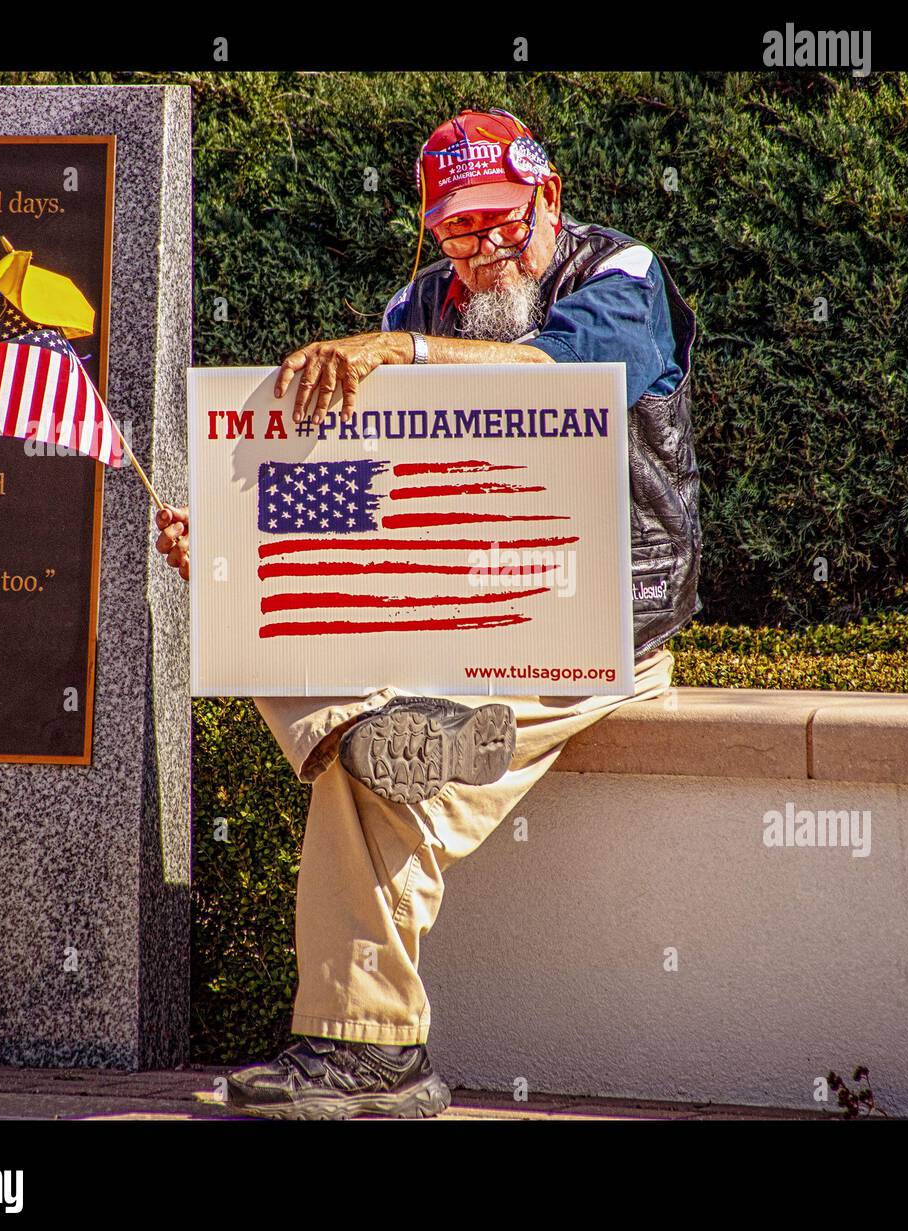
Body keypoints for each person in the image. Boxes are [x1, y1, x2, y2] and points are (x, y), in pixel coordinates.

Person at [155, 107, 702, 1120]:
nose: (486, 247)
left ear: (547, 196)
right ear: (428, 228)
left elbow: (559, 382)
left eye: (502, 219)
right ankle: (366, 737)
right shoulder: (418, 302)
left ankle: (370, 1052)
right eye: (458, 229)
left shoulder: (619, 273)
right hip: (445, 616)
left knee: (364, 785)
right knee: (264, 608)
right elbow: (364, 501)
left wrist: (400, 352)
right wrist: (231, 547)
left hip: (590, 623)